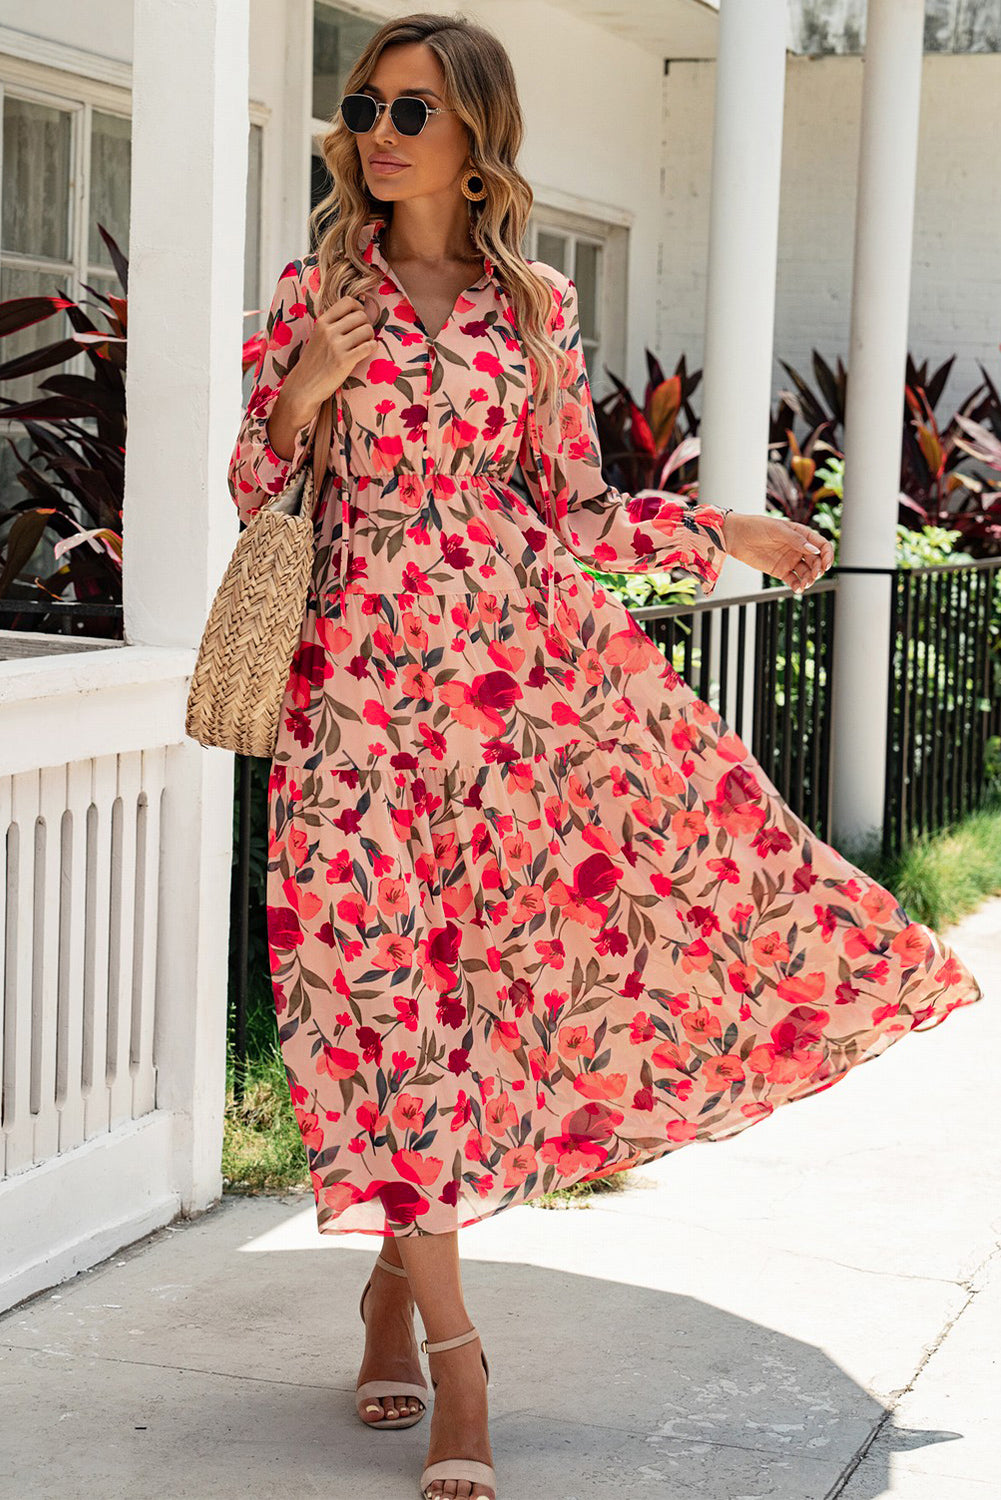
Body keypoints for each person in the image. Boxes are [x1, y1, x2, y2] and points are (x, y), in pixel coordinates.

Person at [227, 15, 984, 1500]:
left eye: (412, 111)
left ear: (474, 140)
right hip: (353, 713)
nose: (379, 130)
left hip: (513, 706)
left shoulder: (534, 311)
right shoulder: (310, 293)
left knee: (488, 994)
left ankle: (394, 1278)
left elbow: (567, 512)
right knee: (378, 996)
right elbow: (257, 488)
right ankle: (457, 1357)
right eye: (364, 104)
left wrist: (720, 527)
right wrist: (308, 388)